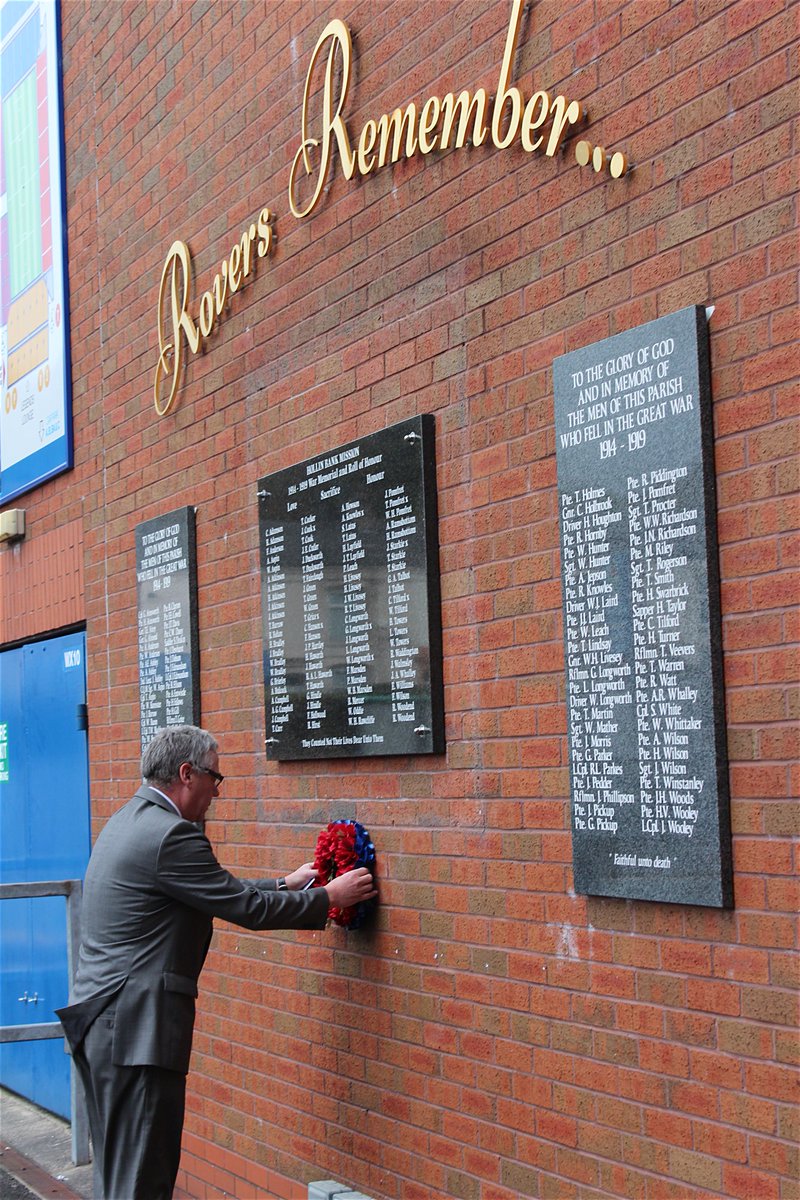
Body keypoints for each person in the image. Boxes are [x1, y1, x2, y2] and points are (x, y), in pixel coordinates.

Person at [56, 725, 376, 1200]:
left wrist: (284, 884)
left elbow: (213, 887)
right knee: (142, 1179)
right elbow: (242, 908)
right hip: (134, 1032)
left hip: (105, 1025)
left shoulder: (132, 819)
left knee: (121, 1174)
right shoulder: (172, 836)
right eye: (214, 776)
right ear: (186, 774)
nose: (217, 790)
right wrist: (329, 895)